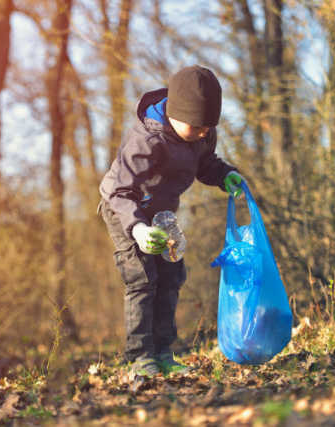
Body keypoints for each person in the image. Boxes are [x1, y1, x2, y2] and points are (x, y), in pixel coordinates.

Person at [98, 65, 242, 377]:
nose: (204, 132)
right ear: (176, 114)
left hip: (161, 213)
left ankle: (164, 352)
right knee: (143, 277)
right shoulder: (147, 140)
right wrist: (136, 228)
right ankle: (139, 357)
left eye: (209, 126)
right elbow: (121, 191)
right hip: (124, 209)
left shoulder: (201, 133)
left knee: (171, 274)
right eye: (197, 126)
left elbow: (206, 164)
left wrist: (225, 174)